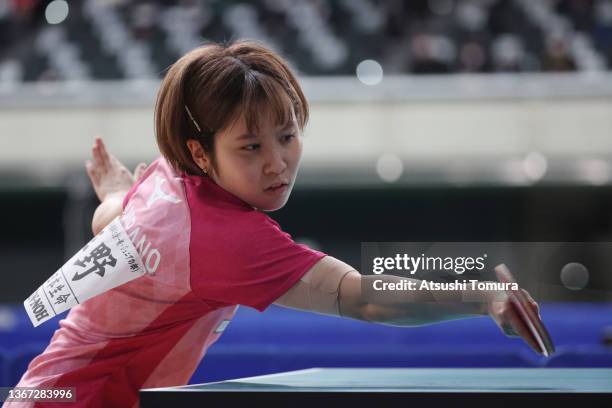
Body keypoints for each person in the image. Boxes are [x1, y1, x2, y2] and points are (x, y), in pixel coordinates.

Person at [7, 41, 540, 408]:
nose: (277, 163)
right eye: (251, 147)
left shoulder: (169, 176)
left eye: (287, 136)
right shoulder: (222, 236)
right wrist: (480, 296)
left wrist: (116, 189)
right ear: (203, 151)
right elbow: (360, 297)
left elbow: (110, 220)